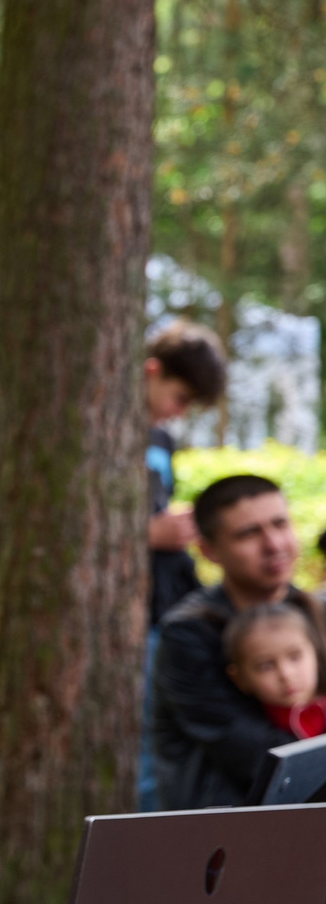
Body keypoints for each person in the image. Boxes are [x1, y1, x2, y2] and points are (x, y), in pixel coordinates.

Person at [154, 474, 307, 808]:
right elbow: (249, 750)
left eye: (280, 524)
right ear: (209, 550)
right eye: (249, 533)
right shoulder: (190, 632)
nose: (274, 545)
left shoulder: (313, 611)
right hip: (225, 830)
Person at [138, 323, 229, 809]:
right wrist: (148, 533)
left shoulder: (162, 437)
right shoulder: (116, 429)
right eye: (179, 395)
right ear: (152, 371)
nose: (180, 411)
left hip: (163, 602)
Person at [224, 601, 326, 742]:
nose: (286, 674)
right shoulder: (250, 733)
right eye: (266, 666)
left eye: (295, 656)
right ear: (240, 679)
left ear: (316, 652)